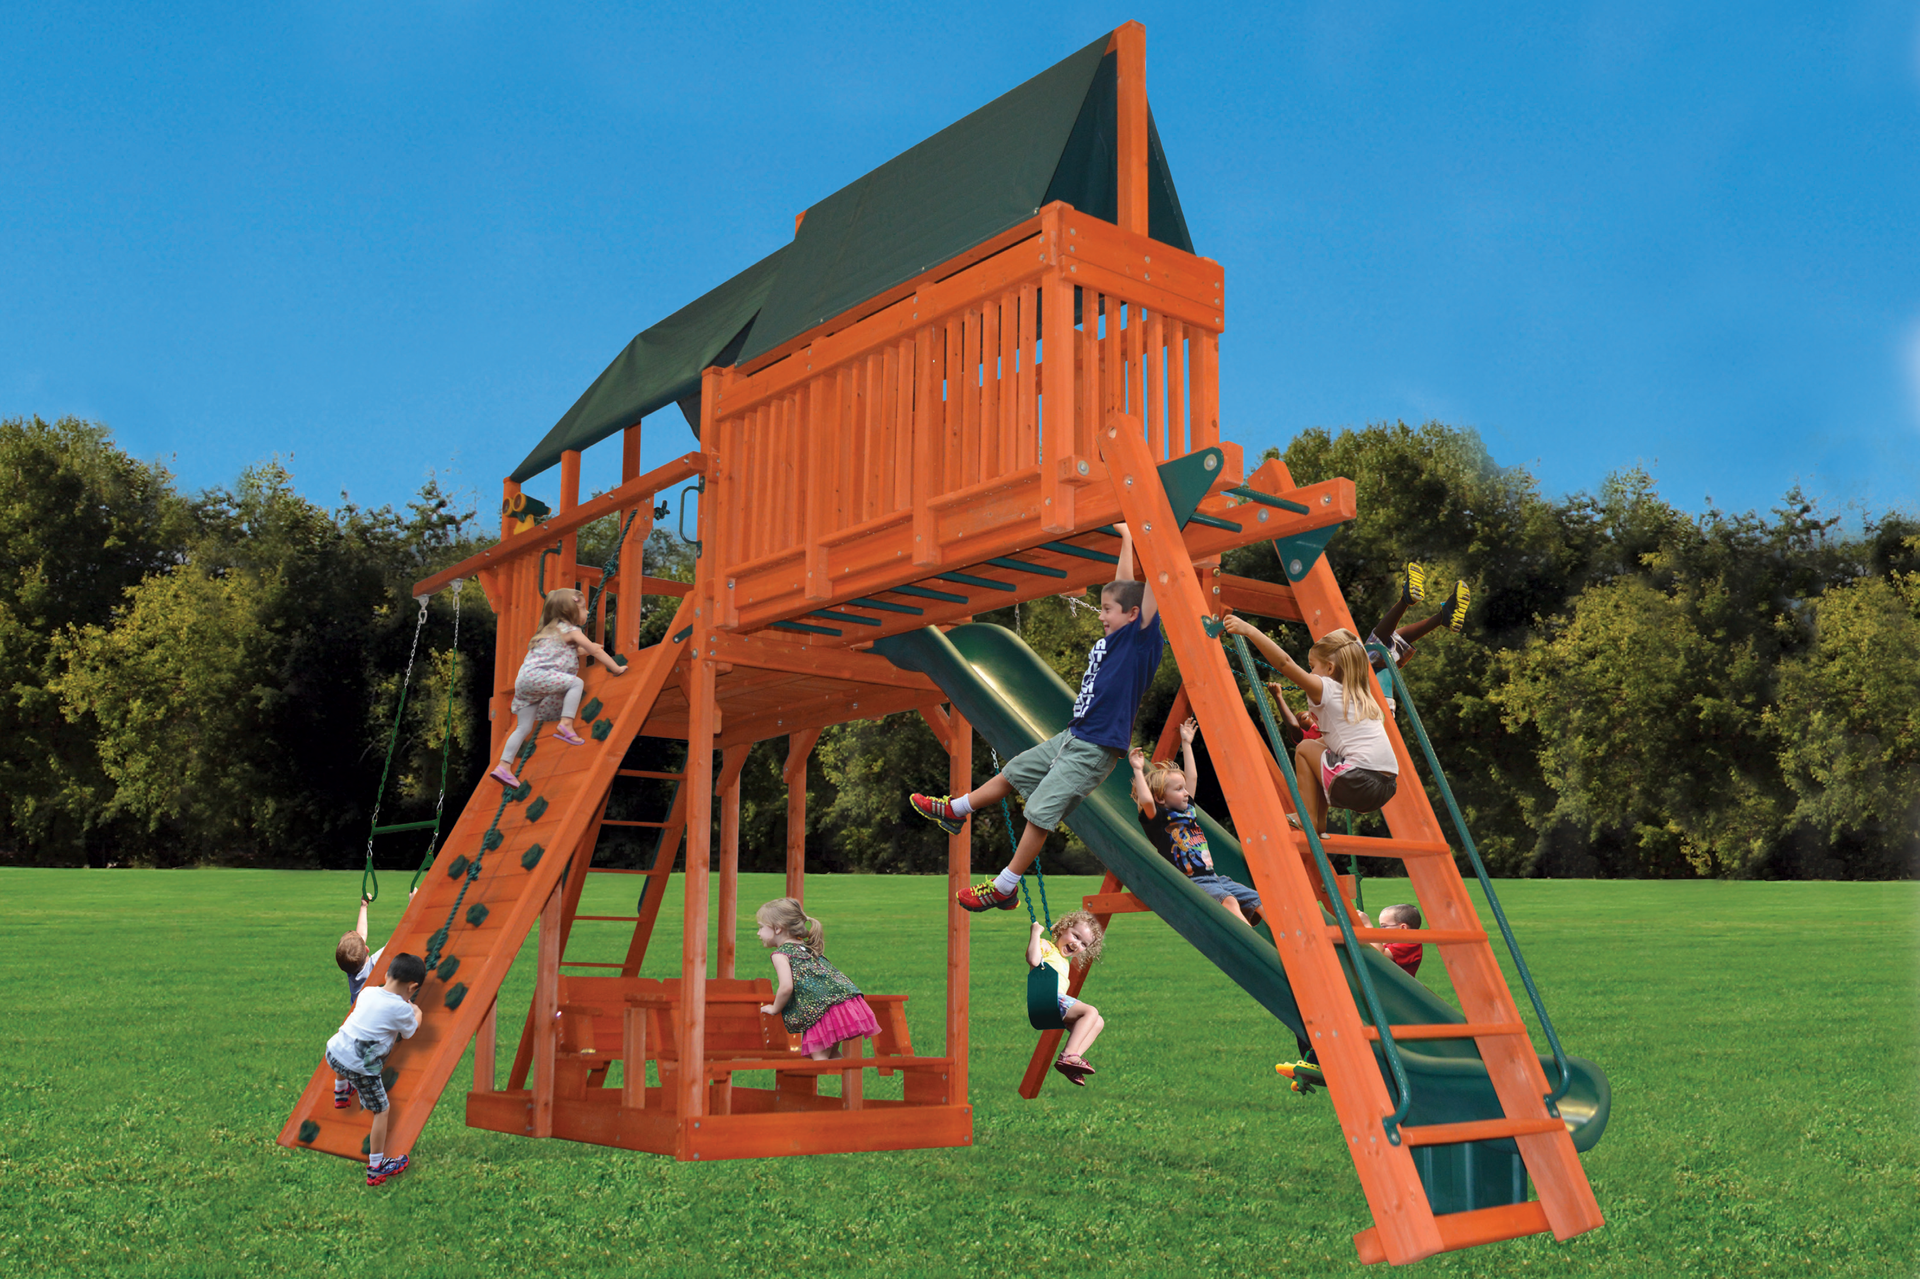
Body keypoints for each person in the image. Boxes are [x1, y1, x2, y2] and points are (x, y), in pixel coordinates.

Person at [911, 524, 1162, 911]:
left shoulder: (1140, 643)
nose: (1100, 616)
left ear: (1133, 615)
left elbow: (1151, 591)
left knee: (1040, 812)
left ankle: (1005, 885)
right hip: (1072, 737)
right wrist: (1127, 539)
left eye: (1107, 610)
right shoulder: (1117, 639)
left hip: (1095, 749)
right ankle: (956, 811)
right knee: (1013, 772)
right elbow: (1125, 586)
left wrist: (1153, 538)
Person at [1221, 615, 1398, 836]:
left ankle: (1306, 818)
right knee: (1320, 747)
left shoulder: (1327, 688)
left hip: (1359, 780)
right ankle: (1318, 823)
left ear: (1330, 668)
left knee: (1305, 748)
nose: (1311, 673)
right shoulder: (1360, 698)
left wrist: (1249, 630)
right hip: (1386, 786)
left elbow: (1285, 664)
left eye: (1312, 667)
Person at [1128, 719, 1263, 928]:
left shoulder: (1187, 810)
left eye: (1184, 788)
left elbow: (1193, 776)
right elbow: (1146, 800)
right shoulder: (1159, 819)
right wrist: (1138, 770)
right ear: (1161, 798)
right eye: (1178, 789)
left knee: (1258, 899)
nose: (1185, 793)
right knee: (1228, 901)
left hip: (1215, 878)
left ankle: (1289, 939)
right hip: (1192, 883)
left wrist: (1187, 744)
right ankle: (1250, 941)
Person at [489, 587, 627, 787]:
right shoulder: (572, 630)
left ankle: (503, 766)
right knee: (576, 683)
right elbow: (595, 652)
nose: (587, 612)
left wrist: (586, 650)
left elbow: (566, 652)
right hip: (540, 677)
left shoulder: (547, 632)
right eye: (583, 608)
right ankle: (566, 724)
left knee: (523, 727)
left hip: (526, 681)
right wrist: (616, 668)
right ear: (569, 611)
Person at [324, 951, 427, 1186]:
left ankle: (341, 1091)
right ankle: (376, 1166)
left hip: (334, 1052)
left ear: (386, 974)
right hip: (360, 1068)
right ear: (412, 987)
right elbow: (410, 1032)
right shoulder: (402, 1010)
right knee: (382, 1109)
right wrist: (417, 1012)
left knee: (350, 1044)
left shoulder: (368, 992)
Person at [755, 898, 881, 1061]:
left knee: (819, 1058)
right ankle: (844, 1077)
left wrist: (774, 1008)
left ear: (778, 928)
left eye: (761, 927)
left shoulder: (781, 954)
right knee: (832, 1055)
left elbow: (786, 987)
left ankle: (835, 1076)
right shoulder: (807, 948)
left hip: (820, 1012)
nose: (758, 933)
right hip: (843, 1004)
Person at [332, 888, 415, 1108]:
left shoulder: (352, 972)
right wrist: (412, 904)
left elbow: (360, 939)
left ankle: (342, 1089)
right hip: (376, 1020)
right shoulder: (376, 963)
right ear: (367, 949)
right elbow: (401, 936)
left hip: (358, 1016)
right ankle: (361, 1085)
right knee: (371, 1056)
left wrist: (364, 907)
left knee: (349, 1049)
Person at [1029, 910, 1106, 1085]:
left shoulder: (1064, 962)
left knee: (1098, 1022)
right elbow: (1033, 960)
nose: (1077, 944)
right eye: (1076, 936)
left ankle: (1071, 1062)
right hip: (1045, 999)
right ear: (1063, 928)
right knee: (1090, 1012)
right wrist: (1035, 933)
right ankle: (1068, 1055)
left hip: (1053, 1006)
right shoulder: (1046, 946)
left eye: (1083, 944)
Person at [1365, 562, 1469, 674]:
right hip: (1359, 677)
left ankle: (1443, 616)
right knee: (1372, 652)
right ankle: (1407, 600)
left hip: (1364, 675)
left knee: (1389, 646)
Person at [1360, 903, 1424, 977]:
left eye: (1384, 926)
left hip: (1397, 983)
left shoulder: (1410, 943)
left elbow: (1380, 955)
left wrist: (1367, 926)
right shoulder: (1392, 941)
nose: (1381, 930)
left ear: (1403, 928)